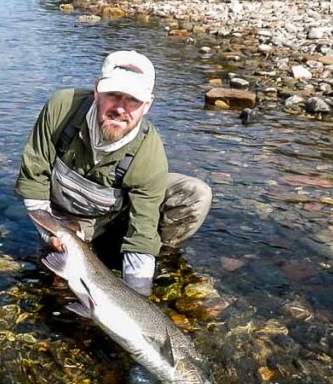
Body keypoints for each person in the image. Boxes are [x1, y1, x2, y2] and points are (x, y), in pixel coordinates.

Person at [15, 50, 212, 296]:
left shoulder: (149, 153)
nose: (120, 108)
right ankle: (85, 252)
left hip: (114, 213)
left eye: (133, 100)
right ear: (97, 90)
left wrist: (139, 296)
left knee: (195, 194)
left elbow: (143, 229)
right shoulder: (62, 108)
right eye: (113, 95)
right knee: (61, 286)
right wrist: (52, 237)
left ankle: (155, 262)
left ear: (148, 105)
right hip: (64, 219)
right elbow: (34, 176)